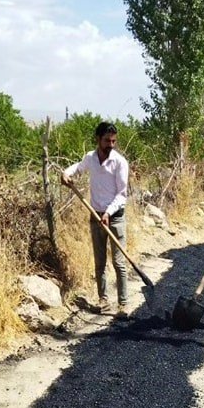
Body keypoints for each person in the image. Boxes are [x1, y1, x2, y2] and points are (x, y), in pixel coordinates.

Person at [62, 121, 130, 316]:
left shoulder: (119, 162)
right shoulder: (91, 158)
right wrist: (66, 173)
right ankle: (103, 300)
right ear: (98, 139)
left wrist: (108, 213)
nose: (111, 144)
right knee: (100, 262)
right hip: (95, 214)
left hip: (115, 217)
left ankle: (123, 304)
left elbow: (122, 194)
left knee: (119, 262)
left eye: (114, 141)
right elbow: (78, 167)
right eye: (107, 140)